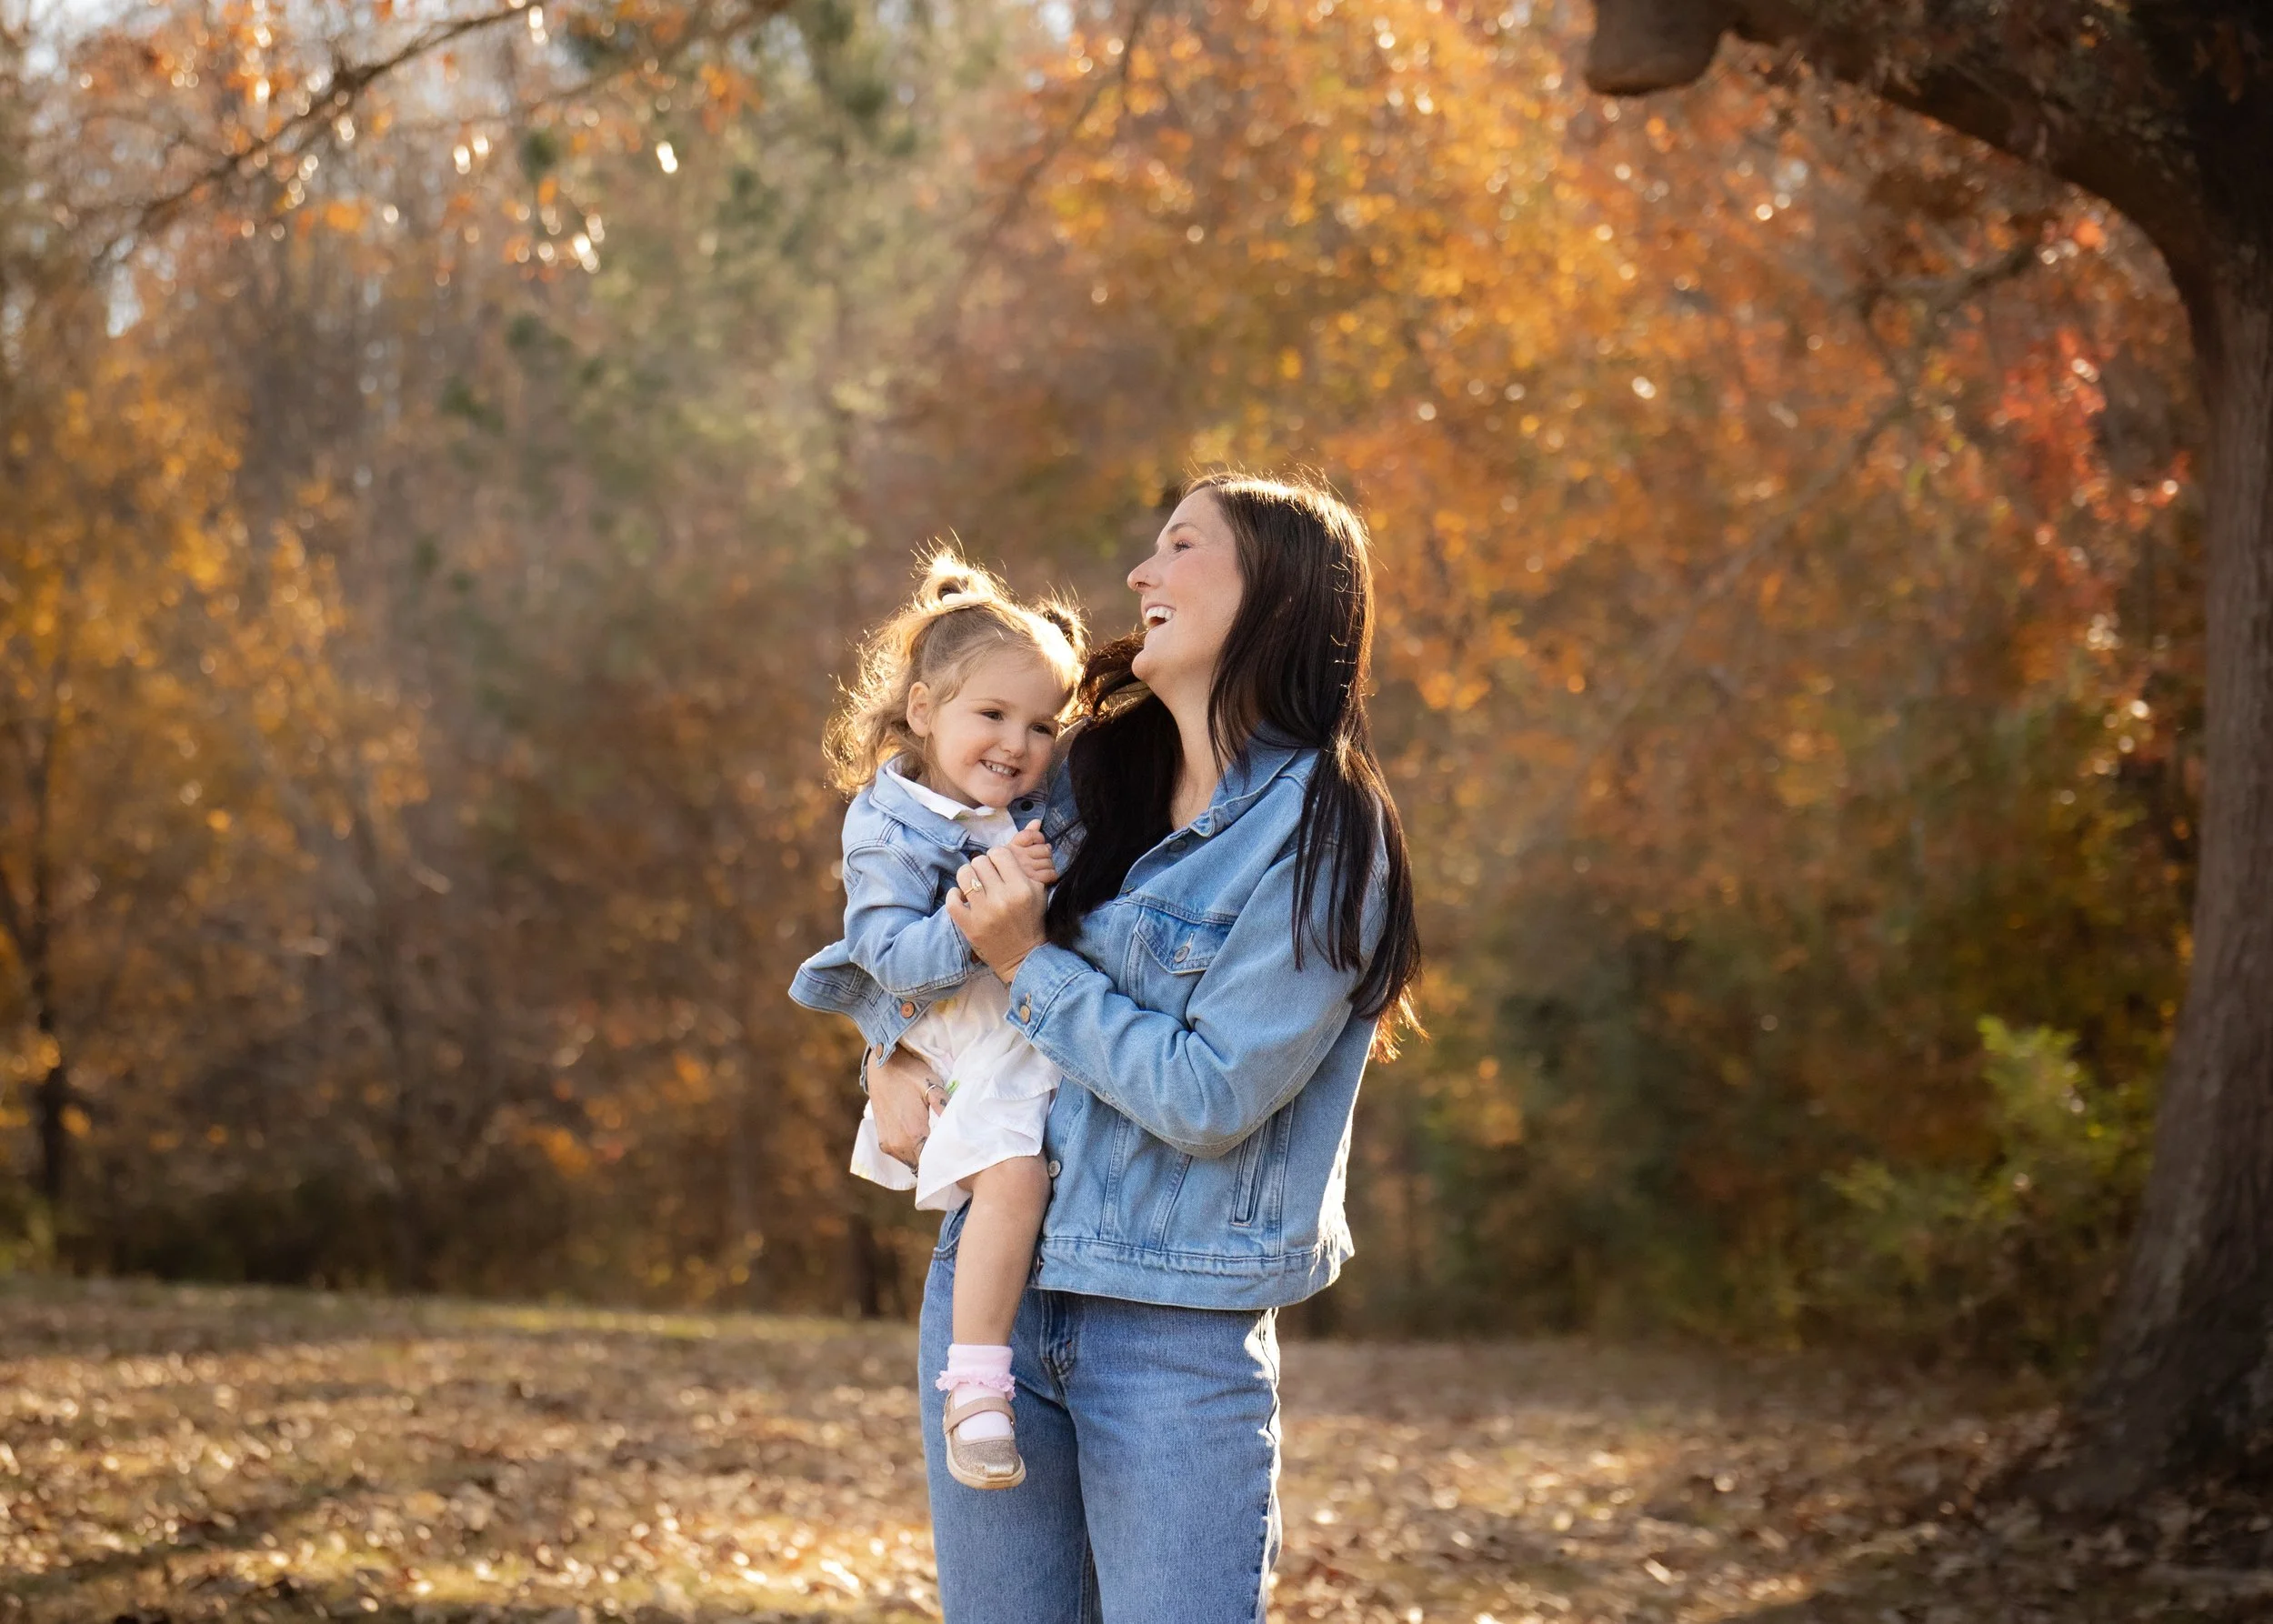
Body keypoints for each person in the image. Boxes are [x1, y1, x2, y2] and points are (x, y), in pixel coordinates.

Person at [866, 473, 1423, 1623]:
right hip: (994, 1309)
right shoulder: (1083, 777)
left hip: (1169, 1339)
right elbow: (927, 926)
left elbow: (1213, 1095)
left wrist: (1031, 964)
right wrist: (887, 1046)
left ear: (1270, 590)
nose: (1140, 575)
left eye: (1180, 547)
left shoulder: (1326, 829)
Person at [789, 551, 1086, 1489]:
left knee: (1032, 1167)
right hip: (966, 1022)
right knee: (1014, 1173)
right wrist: (982, 913)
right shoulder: (887, 825)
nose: (1017, 742)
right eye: (990, 715)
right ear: (922, 711)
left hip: (1027, 1009)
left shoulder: (1040, 807)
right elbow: (891, 961)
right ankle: (975, 1389)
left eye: (1042, 724)